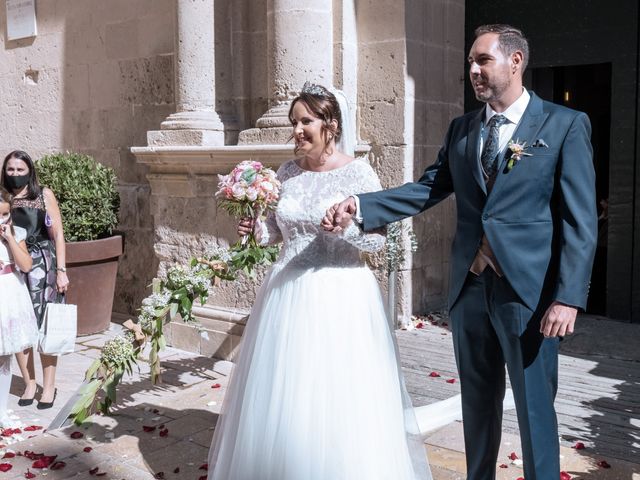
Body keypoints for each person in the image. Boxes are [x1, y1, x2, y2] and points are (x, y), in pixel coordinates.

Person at [324, 24, 597, 480]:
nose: (472, 69)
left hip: (527, 295)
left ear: (515, 62)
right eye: (470, 61)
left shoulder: (564, 125)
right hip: (470, 289)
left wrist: (568, 297)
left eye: (482, 60)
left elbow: (580, 220)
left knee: (533, 407)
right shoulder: (463, 129)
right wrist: (362, 206)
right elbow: (429, 188)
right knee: (476, 402)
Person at [208, 83, 432, 479]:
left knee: (337, 396)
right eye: (293, 122)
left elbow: (377, 242)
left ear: (330, 124)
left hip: (341, 294)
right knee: (288, 398)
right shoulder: (286, 173)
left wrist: (344, 230)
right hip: (287, 294)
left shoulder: (359, 172)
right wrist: (255, 229)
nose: (297, 129)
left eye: (305, 121)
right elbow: (276, 232)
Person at [1, 150, 69, 410]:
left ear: (29, 170)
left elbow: (58, 234)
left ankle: (48, 386)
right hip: (12, 265)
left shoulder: (43, 195)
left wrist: (62, 270)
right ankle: (29, 382)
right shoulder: (3, 197)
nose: (15, 174)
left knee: (45, 326)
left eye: (20, 169)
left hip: (43, 266)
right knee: (18, 322)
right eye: (11, 170)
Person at [0, 187, 39, 426]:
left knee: (4, 357)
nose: (1, 220)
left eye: (5, 215)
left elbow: (25, 265)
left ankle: (1, 410)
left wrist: (10, 238)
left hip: (10, 294)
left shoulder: (18, 233)